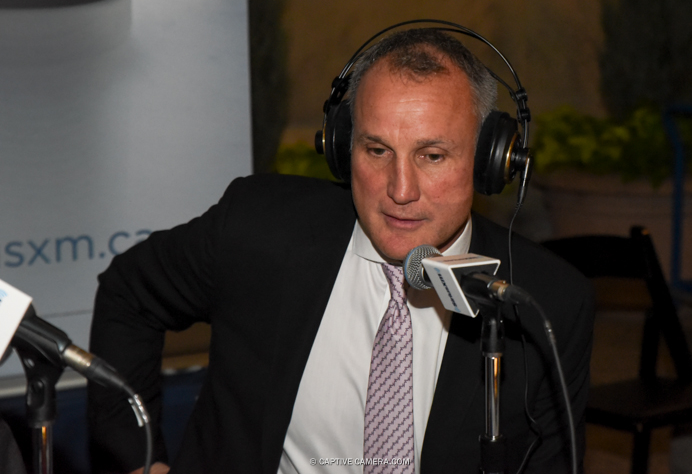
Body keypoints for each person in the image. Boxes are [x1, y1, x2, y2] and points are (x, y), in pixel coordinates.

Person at [87, 27, 593, 474]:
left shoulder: (544, 303)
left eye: (432, 155)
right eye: (377, 151)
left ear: (490, 161)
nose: (400, 189)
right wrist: (136, 457)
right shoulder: (258, 227)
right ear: (340, 145)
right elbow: (128, 295)